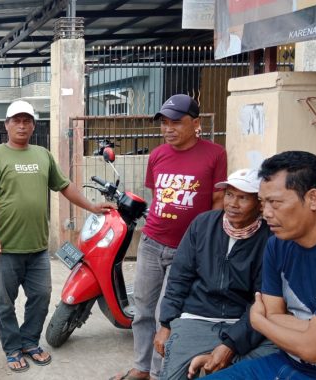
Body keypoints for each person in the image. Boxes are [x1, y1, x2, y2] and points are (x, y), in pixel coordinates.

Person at [0, 100, 114, 373]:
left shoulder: (42, 155)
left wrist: (92, 207)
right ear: (7, 124)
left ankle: (29, 341)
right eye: (17, 120)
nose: (22, 125)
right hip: (5, 247)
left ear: (33, 126)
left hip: (37, 247)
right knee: (5, 303)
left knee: (40, 296)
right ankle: (12, 348)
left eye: (27, 121)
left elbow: (64, 186)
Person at [202, 151, 316, 379]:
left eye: (275, 203)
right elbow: (274, 313)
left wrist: (259, 322)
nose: (265, 213)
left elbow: (311, 350)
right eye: (263, 203)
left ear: (313, 199)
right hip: (283, 362)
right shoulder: (277, 245)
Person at [115, 94, 227, 380]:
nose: (168, 129)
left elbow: (217, 203)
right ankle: (141, 368)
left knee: (166, 314)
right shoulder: (157, 155)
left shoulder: (215, 154)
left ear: (196, 123)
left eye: (175, 122)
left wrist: (206, 244)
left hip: (186, 250)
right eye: (164, 123)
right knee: (142, 310)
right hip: (152, 243)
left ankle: (157, 371)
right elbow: (157, 198)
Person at [153, 168, 277, 379]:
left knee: (273, 357)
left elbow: (262, 300)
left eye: (242, 198)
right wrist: (166, 324)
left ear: (259, 203)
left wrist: (231, 344)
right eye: (229, 194)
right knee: (173, 376)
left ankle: (212, 361)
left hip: (243, 321)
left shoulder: (270, 238)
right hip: (196, 317)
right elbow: (179, 278)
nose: (232, 204)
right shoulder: (203, 224)